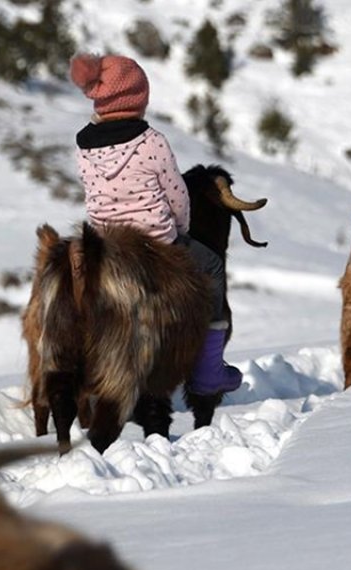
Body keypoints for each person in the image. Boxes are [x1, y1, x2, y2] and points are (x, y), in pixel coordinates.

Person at [68, 53, 242, 394]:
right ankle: (208, 373)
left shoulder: (83, 146)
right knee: (212, 267)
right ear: (137, 100)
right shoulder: (151, 142)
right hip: (156, 245)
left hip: (106, 246)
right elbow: (176, 194)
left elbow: (93, 193)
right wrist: (181, 229)